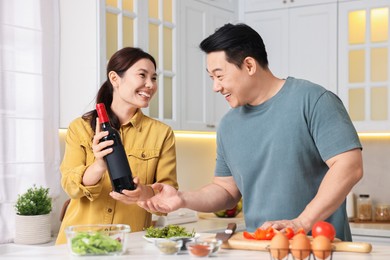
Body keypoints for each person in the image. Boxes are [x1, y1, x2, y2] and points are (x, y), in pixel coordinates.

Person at [138, 23, 363, 241]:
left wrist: (301, 223)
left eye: (219, 75)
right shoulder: (228, 125)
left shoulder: (313, 100)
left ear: (249, 65)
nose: (215, 87)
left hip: (320, 248)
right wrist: (181, 198)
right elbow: (225, 191)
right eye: (211, 77)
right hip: (259, 247)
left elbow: (349, 166)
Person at [56, 47, 178, 244]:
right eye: (142, 75)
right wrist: (99, 165)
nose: (150, 84)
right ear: (115, 78)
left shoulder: (161, 134)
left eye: (154, 78)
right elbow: (71, 187)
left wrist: (143, 193)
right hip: (79, 244)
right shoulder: (80, 128)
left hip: (129, 245)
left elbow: (168, 193)